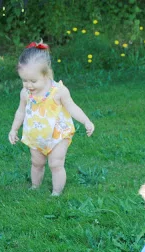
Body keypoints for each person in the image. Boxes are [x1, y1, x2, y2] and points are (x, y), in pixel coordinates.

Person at [8, 41, 95, 196]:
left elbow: (72, 107)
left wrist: (86, 121)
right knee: (36, 163)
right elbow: (20, 112)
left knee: (55, 164)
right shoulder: (25, 93)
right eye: (24, 80)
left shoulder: (59, 91)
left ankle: (56, 192)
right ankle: (35, 186)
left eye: (33, 81)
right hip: (36, 135)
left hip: (57, 135)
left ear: (46, 74)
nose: (28, 85)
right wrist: (14, 129)